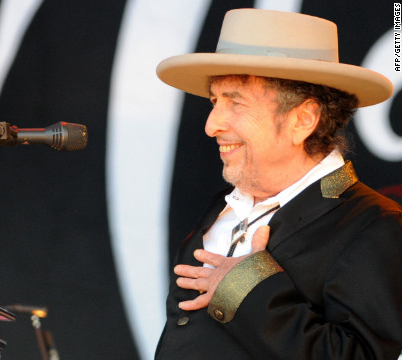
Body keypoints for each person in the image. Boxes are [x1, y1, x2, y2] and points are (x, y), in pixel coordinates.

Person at [154, 8, 401, 360]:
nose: (211, 125)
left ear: (303, 119)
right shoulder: (221, 208)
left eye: (235, 101)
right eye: (214, 100)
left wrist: (248, 291)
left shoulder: (374, 225)